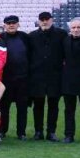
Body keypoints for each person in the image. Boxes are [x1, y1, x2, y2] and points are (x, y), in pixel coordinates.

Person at [28, 12, 66, 141]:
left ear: (51, 20)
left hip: (55, 76)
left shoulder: (61, 34)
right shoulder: (32, 36)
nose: (44, 22)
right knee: (37, 105)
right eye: (42, 20)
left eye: (47, 19)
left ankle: (51, 132)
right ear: (38, 21)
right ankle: (38, 132)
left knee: (53, 105)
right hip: (37, 77)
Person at [0, 15, 30, 140]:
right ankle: (2, 130)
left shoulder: (25, 37)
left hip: (23, 79)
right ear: (4, 25)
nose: (11, 25)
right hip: (6, 79)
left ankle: (21, 133)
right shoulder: (0, 38)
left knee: (22, 107)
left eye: (14, 23)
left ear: (18, 24)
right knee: (4, 107)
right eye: (8, 23)